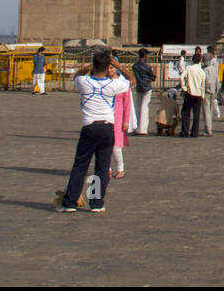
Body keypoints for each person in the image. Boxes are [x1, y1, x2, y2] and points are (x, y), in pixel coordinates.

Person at [55, 51, 130, 213]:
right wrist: (118, 66)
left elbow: (77, 75)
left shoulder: (84, 81)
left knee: (80, 166)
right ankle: (96, 203)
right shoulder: (113, 85)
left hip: (89, 127)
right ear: (107, 66)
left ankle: (70, 202)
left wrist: (89, 66)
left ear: (94, 65)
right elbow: (131, 80)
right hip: (107, 127)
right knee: (102, 168)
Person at [111, 79, 135, 179]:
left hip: (118, 117)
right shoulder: (104, 82)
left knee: (116, 145)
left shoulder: (123, 84)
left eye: (112, 68)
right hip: (106, 116)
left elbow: (127, 104)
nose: (110, 70)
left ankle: (120, 169)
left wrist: (126, 120)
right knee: (105, 144)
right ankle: (107, 169)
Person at [179, 53, 206, 138]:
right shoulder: (202, 71)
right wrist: (203, 95)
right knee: (196, 114)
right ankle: (195, 132)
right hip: (198, 94)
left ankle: (185, 131)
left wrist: (184, 87)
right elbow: (203, 85)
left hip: (189, 93)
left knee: (186, 112)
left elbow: (182, 77)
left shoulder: (189, 68)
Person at [131, 48, 154, 134]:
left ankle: (136, 126)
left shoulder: (134, 66)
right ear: (145, 56)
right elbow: (153, 77)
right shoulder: (147, 67)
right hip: (146, 87)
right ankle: (143, 129)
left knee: (138, 107)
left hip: (139, 87)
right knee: (145, 108)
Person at [202, 52, 220, 135]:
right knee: (210, 110)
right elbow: (217, 81)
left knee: (206, 111)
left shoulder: (204, 70)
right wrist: (216, 91)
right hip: (213, 91)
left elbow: (205, 81)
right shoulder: (214, 69)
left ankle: (208, 130)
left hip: (206, 92)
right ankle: (209, 128)